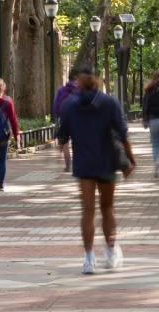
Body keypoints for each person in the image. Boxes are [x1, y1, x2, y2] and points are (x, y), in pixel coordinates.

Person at [57, 64, 135, 275]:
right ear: (97, 79)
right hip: (107, 161)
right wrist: (130, 160)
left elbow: (62, 136)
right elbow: (123, 133)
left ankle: (89, 258)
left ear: (78, 81)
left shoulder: (69, 105)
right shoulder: (110, 103)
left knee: (87, 210)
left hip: (83, 163)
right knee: (107, 208)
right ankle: (110, 252)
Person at [53, 70, 80, 172]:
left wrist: (56, 116)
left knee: (65, 144)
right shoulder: (81, 90)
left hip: (64, 119)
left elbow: (56, 106)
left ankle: (68, 165)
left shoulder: (62, 90)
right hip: (78, 120)